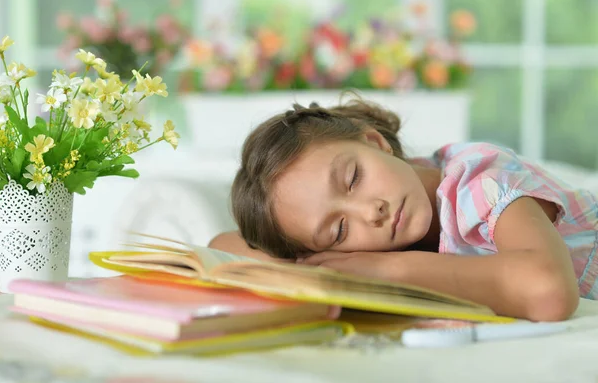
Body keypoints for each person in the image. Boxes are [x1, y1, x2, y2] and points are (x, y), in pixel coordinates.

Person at [209, 96, 598, 321]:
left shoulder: (478, 179)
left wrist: (384, 269)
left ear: (376, 143)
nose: (370, 212)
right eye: (338, 230)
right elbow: (224, 243)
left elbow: (548, 292)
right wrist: (320, 264)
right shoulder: (375, 240)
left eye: (353, 178)